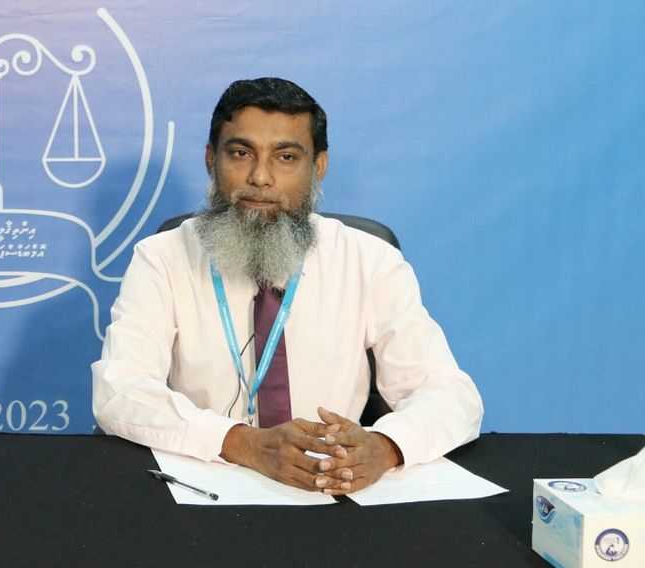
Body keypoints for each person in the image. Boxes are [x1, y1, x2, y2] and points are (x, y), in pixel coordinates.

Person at [92, 77, 483, 495]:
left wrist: (385, 447)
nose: (260, 177)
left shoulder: (370, 260)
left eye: (285, 157)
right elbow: (120, 389)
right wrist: (243, 443)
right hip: (207, 481)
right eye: (241, 153)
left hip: (333, 486)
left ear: (318, 168)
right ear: (210, 159)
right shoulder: (162, 257)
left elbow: (451, 394)